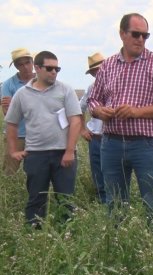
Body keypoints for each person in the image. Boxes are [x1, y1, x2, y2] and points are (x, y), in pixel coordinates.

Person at [87, 13, 153, 219]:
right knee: (114, 202)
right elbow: (93, 100)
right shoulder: (108, 65)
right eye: (136, 34)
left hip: (147, 145)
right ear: (122, 34)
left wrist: (136, 112)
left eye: (145, 35)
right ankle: (116, 244)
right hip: (111, 143)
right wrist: (99, 111)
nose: (140, 39)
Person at [5, 51, 82, 227]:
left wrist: (70, 151)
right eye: (49, 68)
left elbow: (75, 120)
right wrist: (13, 151)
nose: (54, 72)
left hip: (64, 155)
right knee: (36, 199)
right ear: (38, 68)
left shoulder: (65, 90)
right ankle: (34, 235)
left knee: (65, 200)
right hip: (35, 155)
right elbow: (11, 123)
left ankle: (66, 236)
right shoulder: (22, 94)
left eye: (57, 68)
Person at [1, 48, 36, 175]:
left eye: (28, 62)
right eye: (21, 64)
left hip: (39, 136)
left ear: (33, 63)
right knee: (9, 172)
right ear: (16, 66)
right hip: (16, 136)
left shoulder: (42, 81)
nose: (26, 67)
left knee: (37, 173)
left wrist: (16, 105)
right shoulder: (8, 85)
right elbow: (8, 114)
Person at [80, 52, 106, 203]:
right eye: (95, 72)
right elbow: (79, 109)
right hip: (95, 138)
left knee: (115, 172)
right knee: (98, 172)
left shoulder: (118, 85)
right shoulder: (91, 88)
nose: (98, 73)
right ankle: (103, 202)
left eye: (100, 69)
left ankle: (116, 203)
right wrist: (82, 130)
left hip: (112, 137)